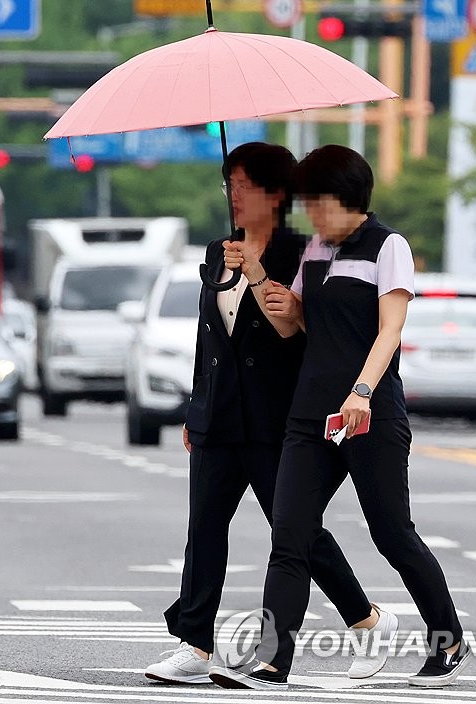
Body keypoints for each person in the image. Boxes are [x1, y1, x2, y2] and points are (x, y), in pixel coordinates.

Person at [209, 145, 469, 690]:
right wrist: (259, 279)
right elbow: (294, 327)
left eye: (320, 204)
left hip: (369, 413)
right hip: (310, 416)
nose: (313, 216)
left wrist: (362, 392)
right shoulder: (317, 252)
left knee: (391, 533)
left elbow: (389, 330)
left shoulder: (387, 246)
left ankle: (448, 637)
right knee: (290, 533)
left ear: (350, 199)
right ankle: (273, 661)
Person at [143, 142, 392, 686]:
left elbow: (308, 336)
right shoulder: (218, 250)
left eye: (244, 185)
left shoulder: (304, 252)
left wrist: (261, 281)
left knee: (296, 530)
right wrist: (195, 403)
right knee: (204, 528)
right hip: (218, 416)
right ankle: (196, 643)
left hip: (275, 416)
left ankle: (365, 619)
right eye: (228, 184)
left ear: (277, 195)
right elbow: (209, 339)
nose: (233, 195)